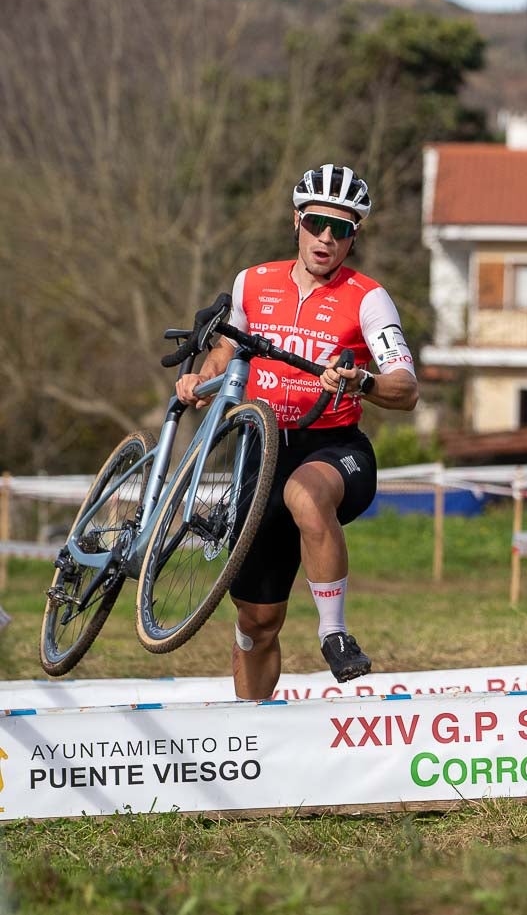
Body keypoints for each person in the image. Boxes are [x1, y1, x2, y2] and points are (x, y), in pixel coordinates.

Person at [175, 164, 419, 699]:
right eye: (317, 224)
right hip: (259, 454)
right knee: (258, 624)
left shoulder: (368, 298)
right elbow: (227, 349)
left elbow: (406, 387)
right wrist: (202, 377)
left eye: (342, 229)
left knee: (305, 495)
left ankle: (334, 633)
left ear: (355, 236)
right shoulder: (253, 282)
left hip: (332, 447)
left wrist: (363, 381)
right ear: (297, 222)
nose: (327, 238)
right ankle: (250, 740)